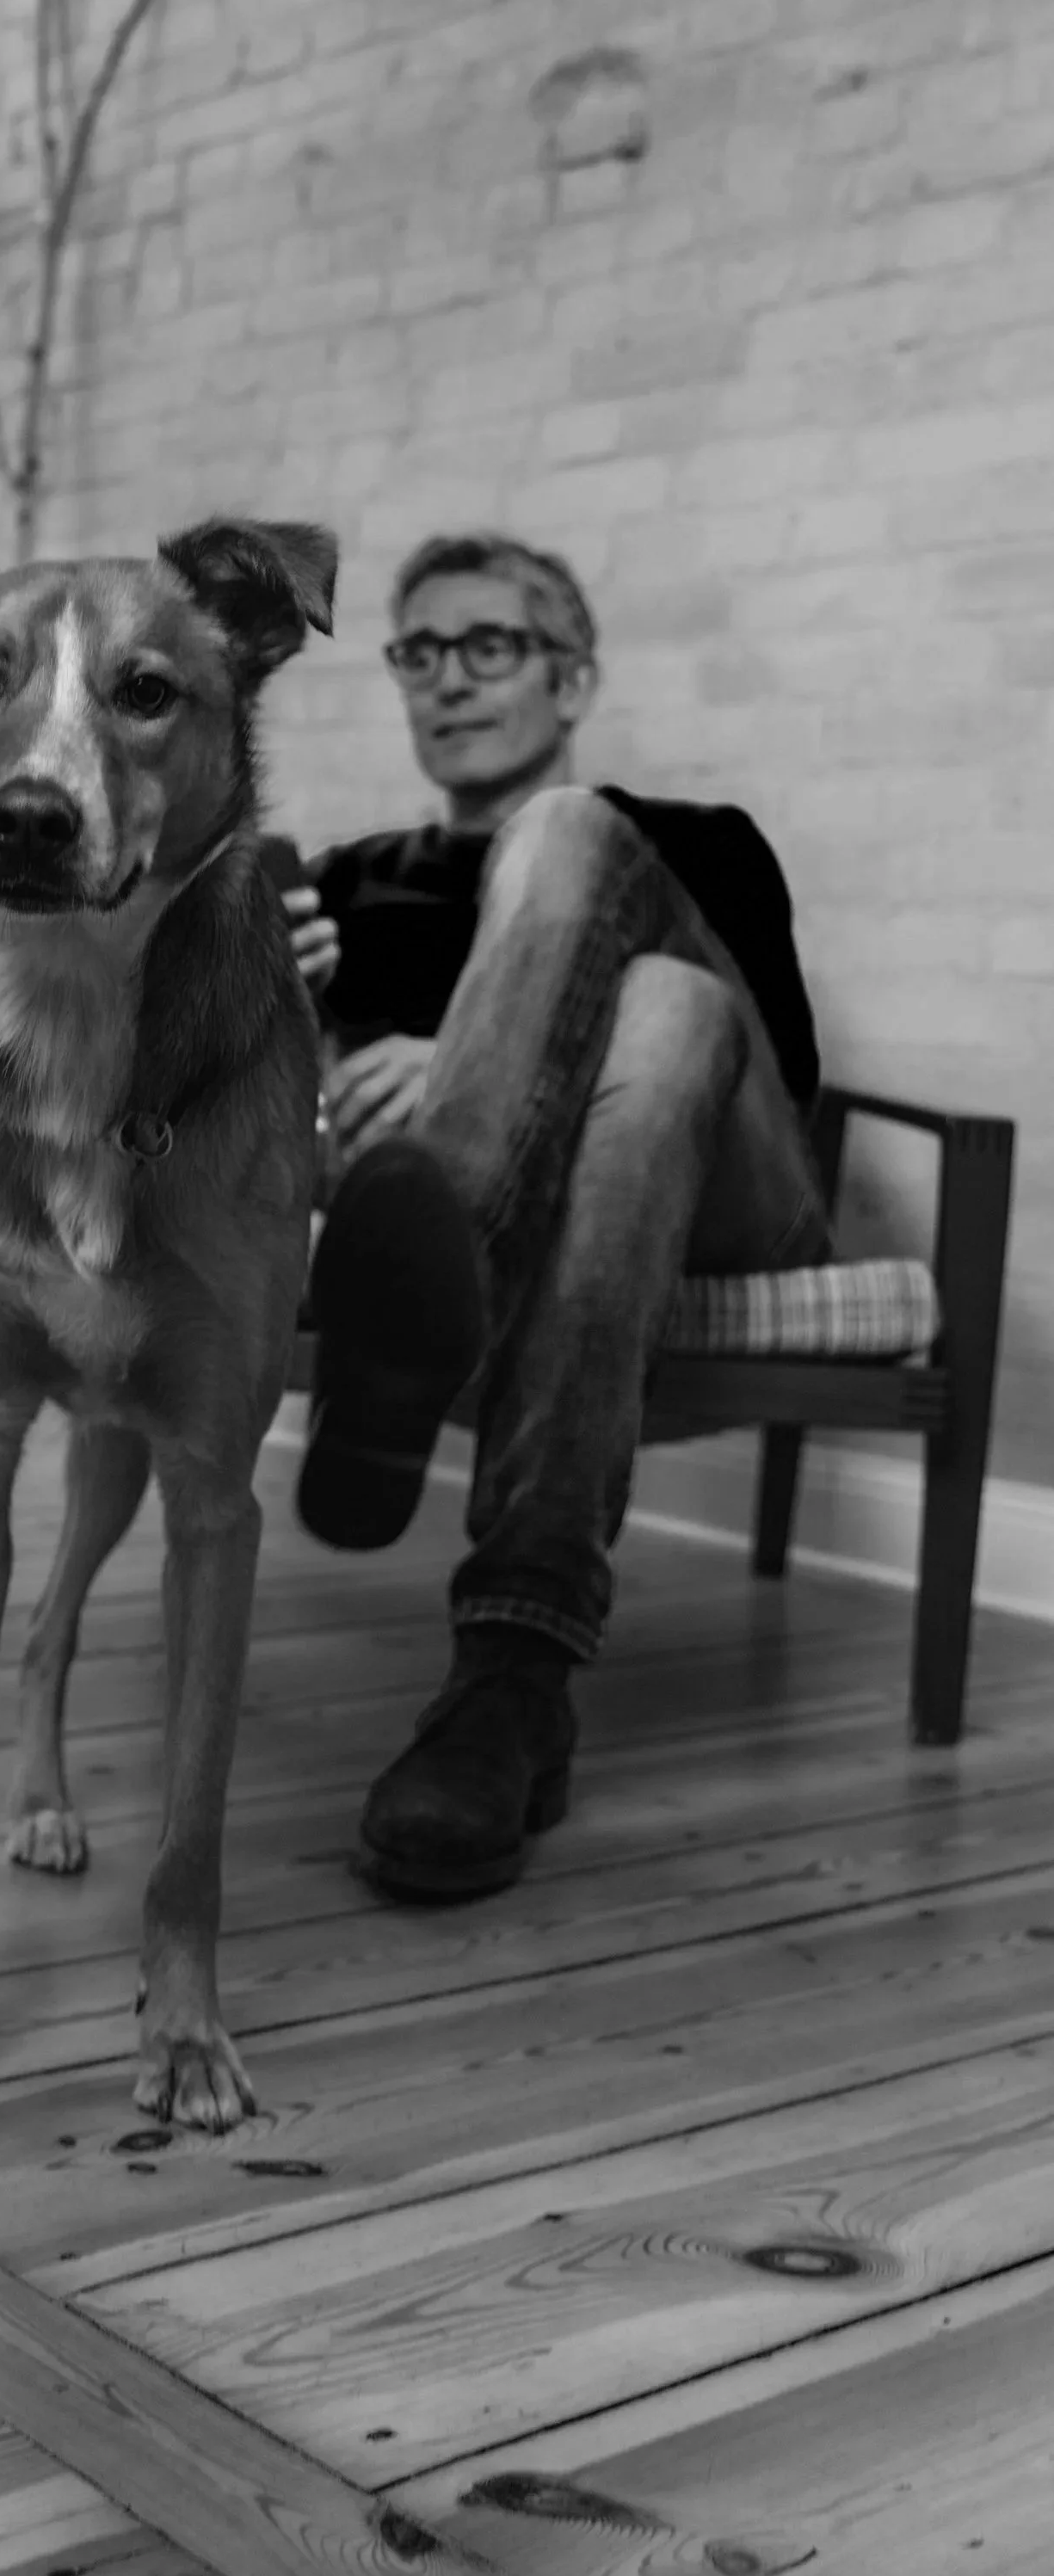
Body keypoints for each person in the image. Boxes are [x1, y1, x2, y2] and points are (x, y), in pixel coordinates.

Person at [282, 531, 828, 1901]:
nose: (447, 681)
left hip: (729, 1185)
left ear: (573, 678)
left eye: (490, 646)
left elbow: (771, 1074)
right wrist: (285, 1011)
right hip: (587, 1183)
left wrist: (462, 1064)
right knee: (662, 1008)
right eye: (419, 652)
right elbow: (295, 1132)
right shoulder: (345, 885)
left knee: (630, 923)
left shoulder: (697, 840)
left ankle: (413, 1323)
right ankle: (512, 1681)